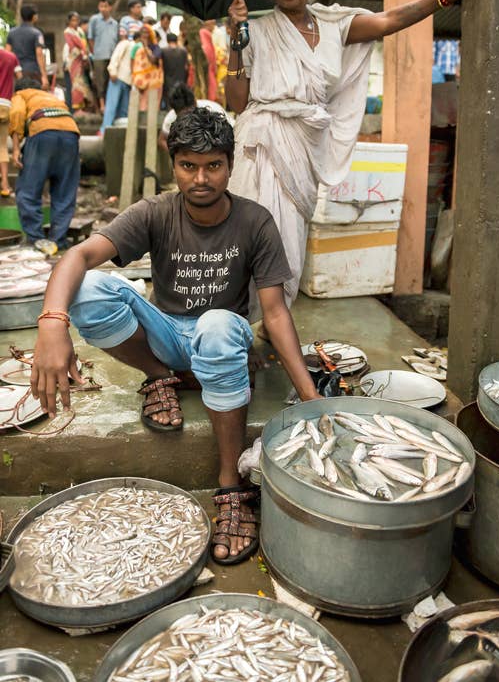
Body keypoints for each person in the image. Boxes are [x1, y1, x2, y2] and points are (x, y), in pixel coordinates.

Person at [30, 106, 320, 563]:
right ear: (174, 167)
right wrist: (52, 323)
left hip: (223, 336)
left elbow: (275, 313)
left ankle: (230, 485)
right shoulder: (155, 212)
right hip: (167, 334)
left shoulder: (255, 221)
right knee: (87, 290)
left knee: (219, 324)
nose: (200, 178)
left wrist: (308, 393)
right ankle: (160, 375)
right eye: (188, 166)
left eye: (213, 166)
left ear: (230, 165)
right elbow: (78, 256)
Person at [226, 0, 476, 321]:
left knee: (288, 251)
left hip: (303, 153)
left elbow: (390, 20)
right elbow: (237, 103)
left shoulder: (334, 26)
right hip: (260, 148)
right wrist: (235, 42)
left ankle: (265, 328)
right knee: (249, 243)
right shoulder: (255, 32)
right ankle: (235, 330)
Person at [8, 78, 80, 254]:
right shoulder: (50, 97)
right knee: (64, 191)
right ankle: (58, 240)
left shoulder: (21, 94)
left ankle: (36, 240)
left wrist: (16, 149)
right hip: (71, 135)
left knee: (28, 190)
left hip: (42, 133)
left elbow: (16, 114)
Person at [158, 82, 231, 154]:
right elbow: (162, 140)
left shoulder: (213, 110)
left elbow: (230, 135)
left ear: (195, 102)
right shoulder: (171, 118)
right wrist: (178, 155)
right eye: (184, 116)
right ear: (176, 112)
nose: (188, 117)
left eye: (191, 112)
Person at [6, 5, 48, 90]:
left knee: (19, 98)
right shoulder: (37, 33)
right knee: (33, 98)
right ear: (34, 17)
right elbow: (39, 54)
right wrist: (44, 76)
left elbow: (7, 53)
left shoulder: (11, 33)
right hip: (33, 72)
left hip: (16, 72)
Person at [88, 0, 118, 114]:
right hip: (99, 56)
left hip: (112, 56)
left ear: (110, 7)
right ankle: (102, 105)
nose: (103, 9)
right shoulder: (94, 20)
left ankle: (111, 105)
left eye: (106, 6)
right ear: (98, 7)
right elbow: (90, 38)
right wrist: (95, 52)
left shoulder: (114, 23)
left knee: (111, 80)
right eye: (101, 6)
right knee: (100, 81)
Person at [100, 27, 131, 133]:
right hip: (118, 77)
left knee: (123, 109)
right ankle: (104, 130)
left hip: (128, 81)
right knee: (111, 106)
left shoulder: (136, 46)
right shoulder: (125, 43)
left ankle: (119, 131)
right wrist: (112, 71)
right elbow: (115, 58)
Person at [0, 48, 22, 196]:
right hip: (5, 104)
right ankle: (5, 186)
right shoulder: (11, 57)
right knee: (1, 146)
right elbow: (19, 77)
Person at [63, 12, 94, 113]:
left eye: (77, 20)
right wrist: (83, 53)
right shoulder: (68, 32)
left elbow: (84, 45)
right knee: (76, 84)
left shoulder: (80, 31)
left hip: (83, 60)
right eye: (73, 20)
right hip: (74, 60)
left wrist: (85, 55)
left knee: (84, 83)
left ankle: (84, 106)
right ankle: (76, 108)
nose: (75, 22)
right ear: (69, 21)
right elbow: (73, 47)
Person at [131, 24, 163, 110]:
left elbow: (153, 61)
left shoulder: (156, 48)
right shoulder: (137, 48)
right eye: (142, 33)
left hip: (154, 84)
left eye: (146, 33)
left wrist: (145, 47)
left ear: (150, 34)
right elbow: (134, 66)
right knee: (141, 108)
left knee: (152, 109)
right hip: (141, 85)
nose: (144, 35)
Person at [161, 33, 189, 108]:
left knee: (169, 103)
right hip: (181, 80)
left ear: (167, 40)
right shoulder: (183, 51)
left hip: (168, 81)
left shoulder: (163, 51)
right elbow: (186, 67)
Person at [199, 19, 218, 101]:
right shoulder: (206, 34)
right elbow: (210, 54)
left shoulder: (200, 33)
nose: (214, 27)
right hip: (207, 67)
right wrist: (214, 68)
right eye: (213, 24)